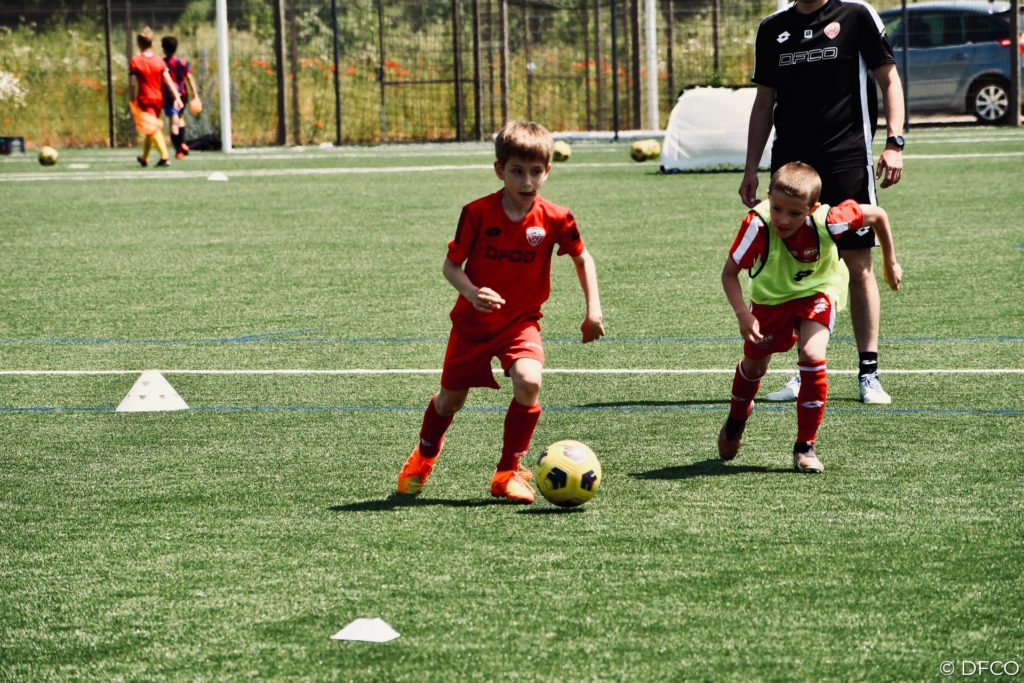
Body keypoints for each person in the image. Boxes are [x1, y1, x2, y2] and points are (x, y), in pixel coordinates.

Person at [397, 121, 605, 503]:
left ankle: (507, 472)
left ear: (547, 171)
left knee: (529, 381)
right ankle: (423, 457)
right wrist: (472, 292)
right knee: (450, 402)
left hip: (520, 323)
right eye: (517, 171)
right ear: (499, 170)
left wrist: (593, 312)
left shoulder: (556, 217)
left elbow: (583, 258)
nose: (527, 181)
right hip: (472, 325)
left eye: (535, 171)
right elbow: (450, 266)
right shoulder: (476, 213)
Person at [738, 0, 906, 404]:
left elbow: (889, 79)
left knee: (858, 264)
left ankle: (869, 373)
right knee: (798, 264)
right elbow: (764, 103)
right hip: (791, 167)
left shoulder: (857, 15)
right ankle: (804, 370)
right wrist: (750, 167)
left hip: (846, 159)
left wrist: (894, 142)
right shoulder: (772, 28)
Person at [721, 162, 901, 473]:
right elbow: (729, 274)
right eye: (777, 208)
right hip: (771, 299)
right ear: (768, 197)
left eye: (794, 213)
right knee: (754, 366)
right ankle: (737, 417)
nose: (783, 219)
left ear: (812, 208)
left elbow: (878, 215)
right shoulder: (757, 224)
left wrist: (890, 262)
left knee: (812, 354)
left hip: (818, 291)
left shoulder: (830, 220)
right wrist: (743, 316)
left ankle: (805, 446)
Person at [129, 27, 182, 167]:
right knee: (150, 128)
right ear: (152, 43)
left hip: (145, 98)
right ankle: (144, 157)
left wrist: (132, 98)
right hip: (158, 98)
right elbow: (168, 79)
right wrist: (177, 96)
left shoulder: (136, 61)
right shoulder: (159, 61)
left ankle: (164, 156)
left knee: (152, 128)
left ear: (138, 44)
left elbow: (133, 83)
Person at [161, 36, 200, 160]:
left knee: (174, 121)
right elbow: (189, 77)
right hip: (183, 94)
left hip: (169, 95)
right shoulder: (181, 62)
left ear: (163, 49)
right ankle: (182, 143)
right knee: (180, 118)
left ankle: (178, 150)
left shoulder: (162, 63)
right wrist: (195, 95)